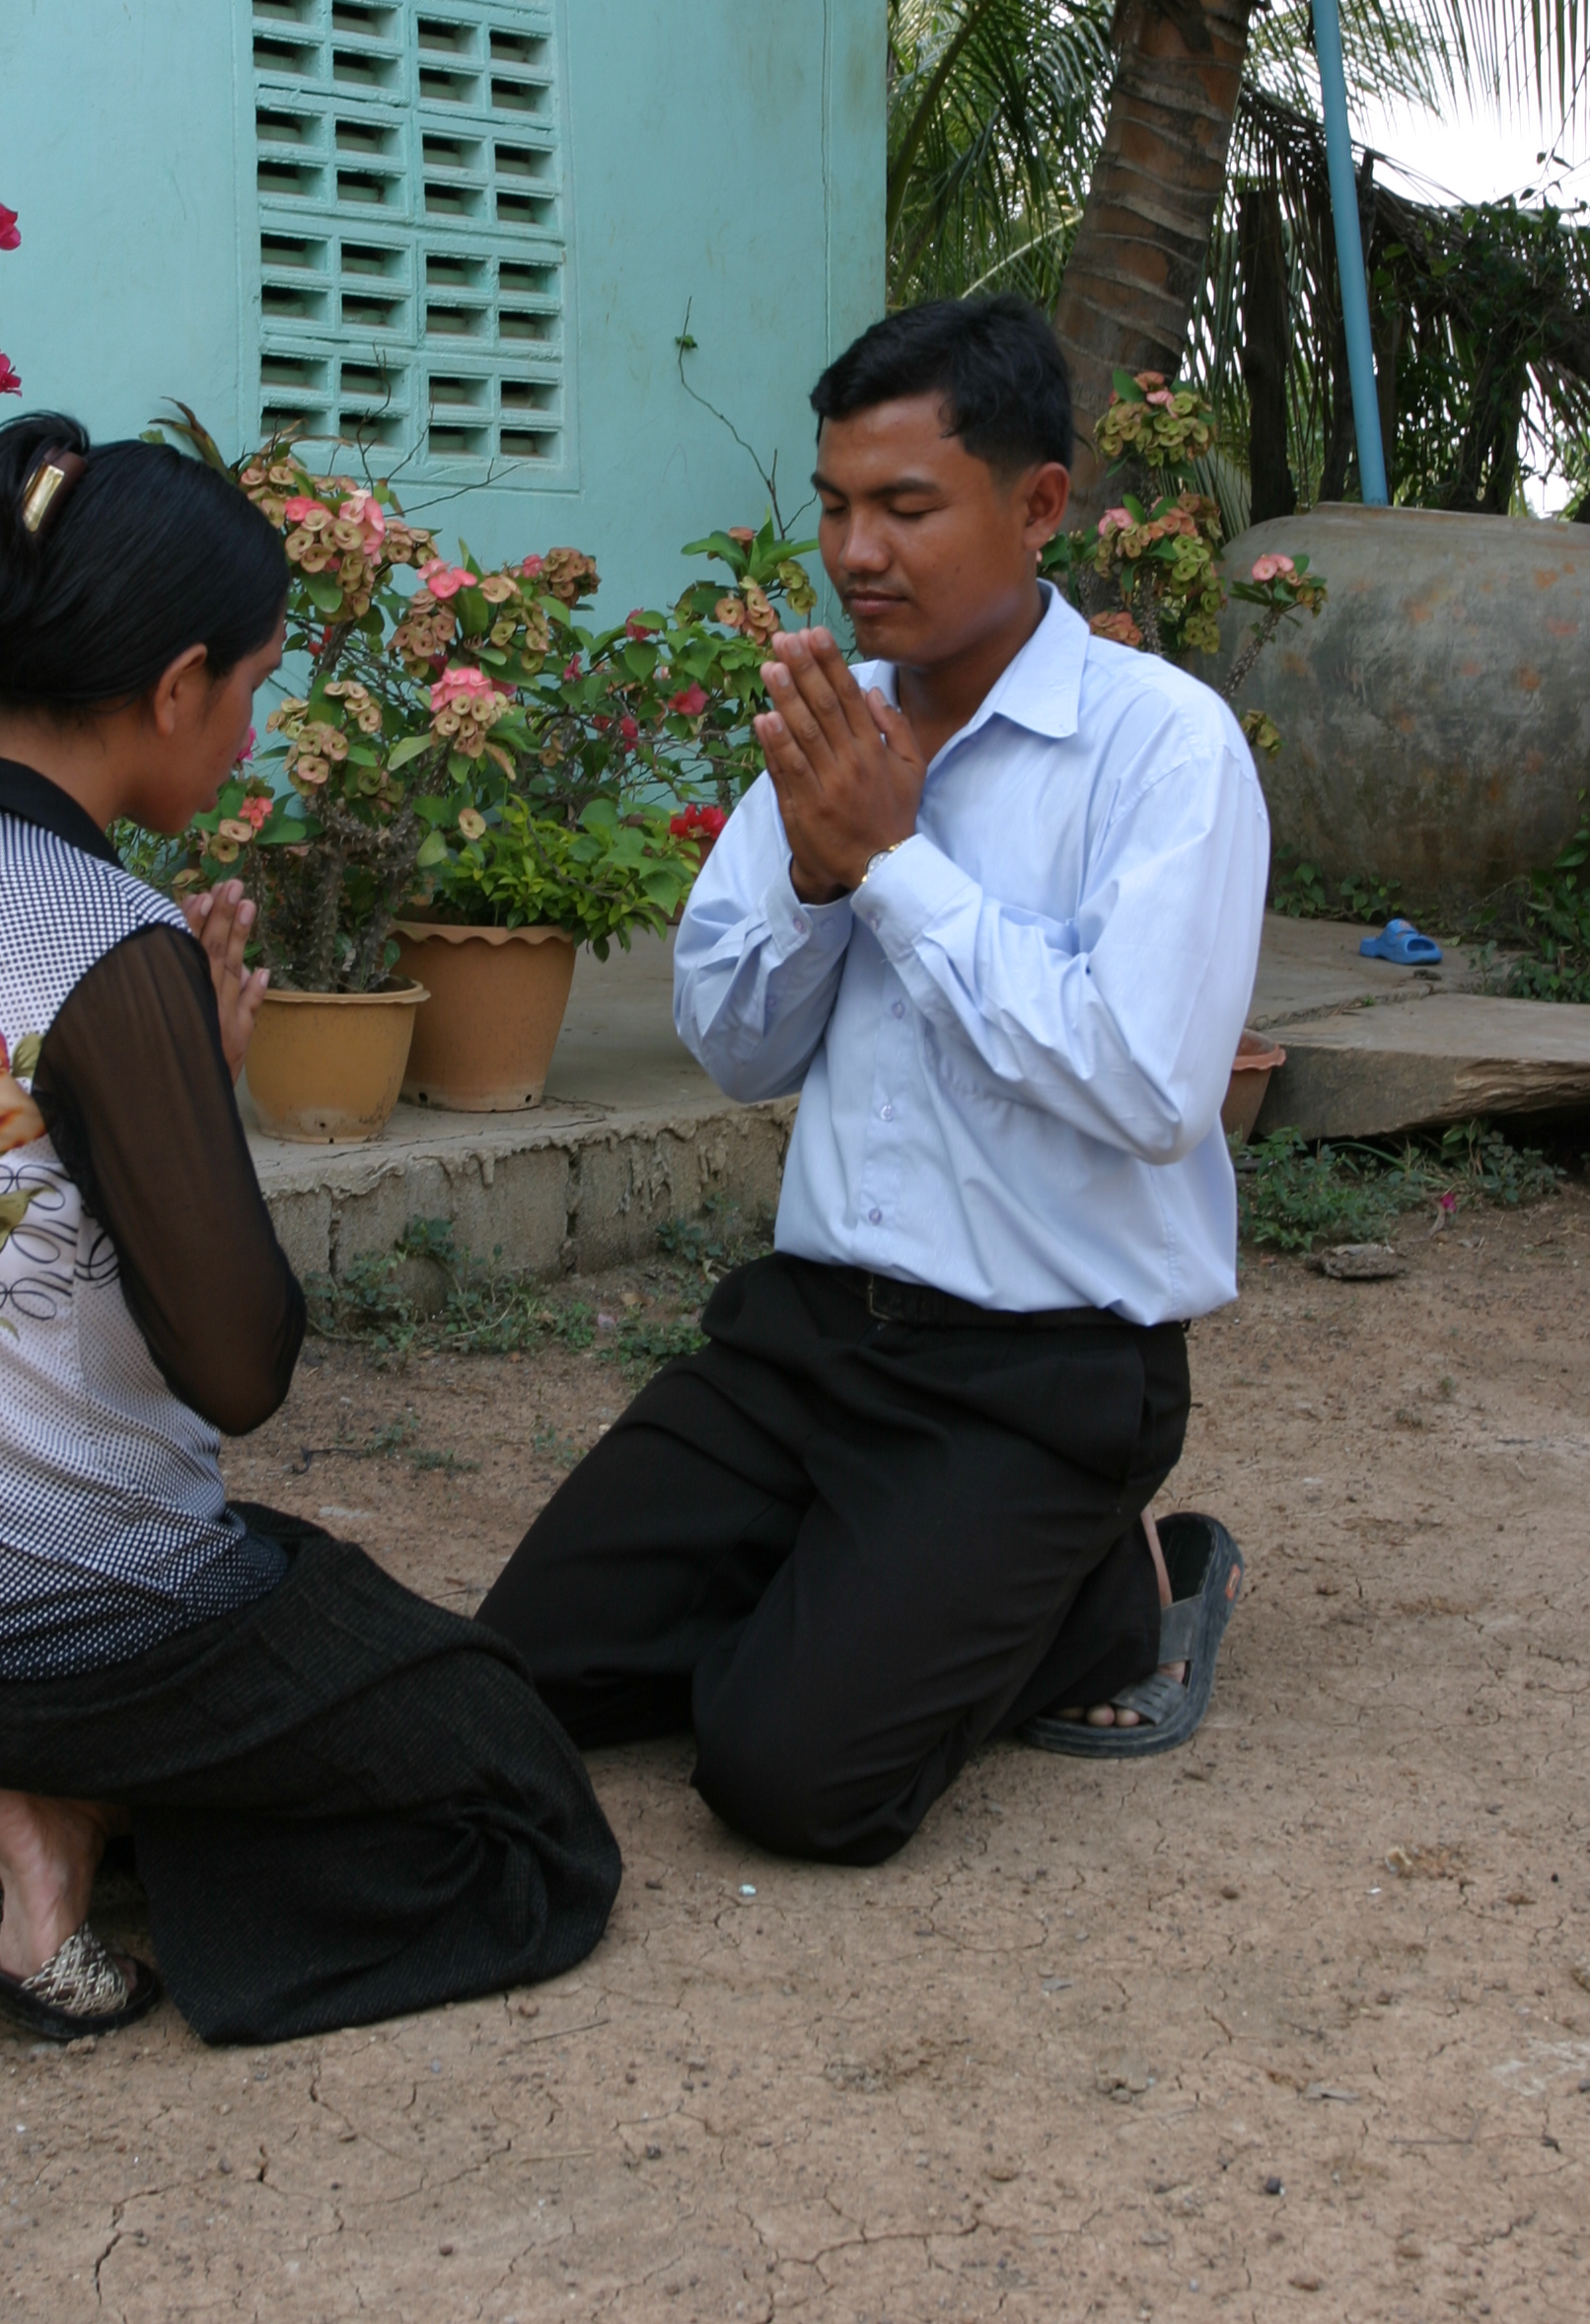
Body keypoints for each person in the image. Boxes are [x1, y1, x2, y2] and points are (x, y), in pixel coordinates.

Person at [0, 413, 618, 2041]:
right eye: (256, 688)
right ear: (179, 682)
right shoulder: (98, 930)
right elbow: (241, 1367)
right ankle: (50, 1816)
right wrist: (196, 1104)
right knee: (508, 1779)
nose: (254, 733)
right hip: (70, 1640)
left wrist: (151, 1120)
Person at [480, 297, 1263, 1863]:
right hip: (806, 1346)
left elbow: (1148, 1086)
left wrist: (896, 864)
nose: (856, 551)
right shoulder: (833, 734)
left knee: (789, 1778)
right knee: (509, 1683)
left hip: (1042, 1379)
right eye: (837, 505)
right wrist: (824, 877)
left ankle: (1104, 1595)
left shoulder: (1165, 750)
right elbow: (736, 1044)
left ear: (1039, 506)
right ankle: (886, 1584)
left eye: (907, 507)